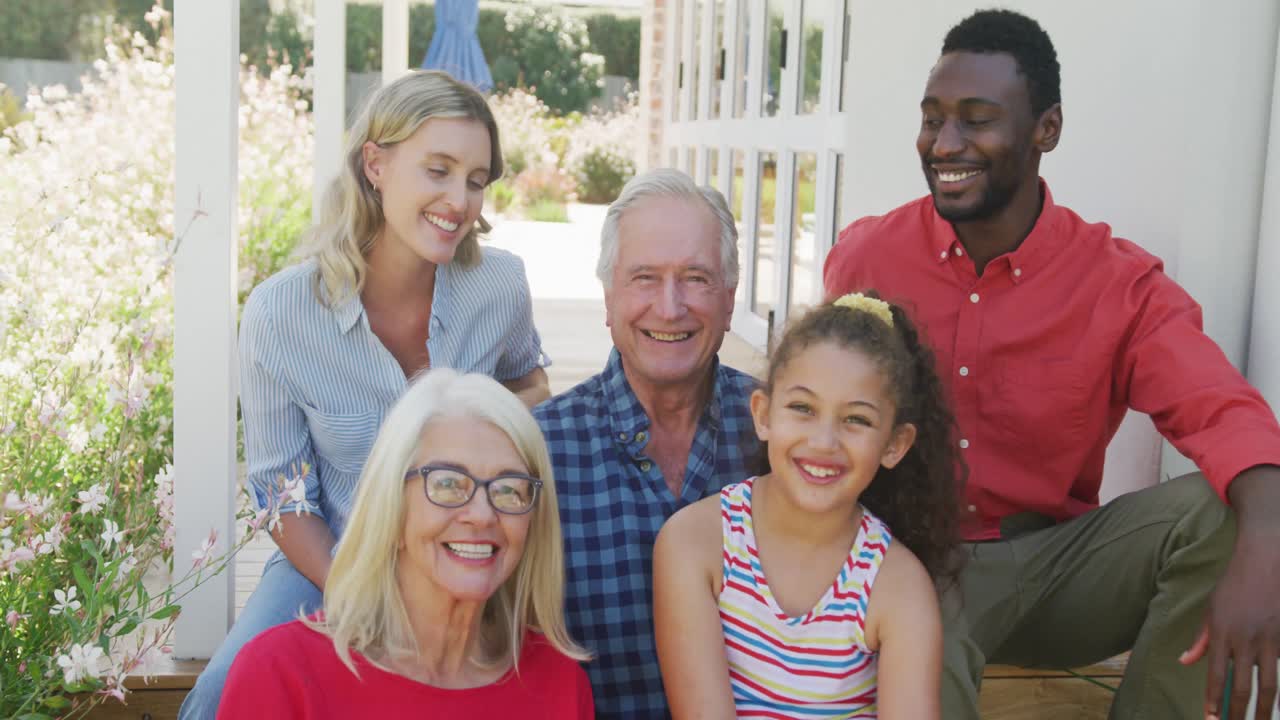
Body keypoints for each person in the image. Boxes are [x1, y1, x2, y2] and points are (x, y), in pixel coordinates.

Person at [823, 9, 1280, 720]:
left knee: (1220, 512)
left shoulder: (1116, 285)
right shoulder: (868, 258)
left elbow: (1220, 408)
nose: (945, 143)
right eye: (933, 118)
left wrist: (1269, 544)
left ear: (1047, 130)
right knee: (922, 623)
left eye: (977, 120)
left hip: (1049, 568)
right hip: (906, 559)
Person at [180, 70, 551, 719]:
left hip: (466, 553)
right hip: (333, 563)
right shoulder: (280, 314)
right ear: (376, 164)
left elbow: (533, 383)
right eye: (437, 170)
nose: (459, 200)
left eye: (475, 179)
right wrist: (362, 595)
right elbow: (280, 494)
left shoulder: (501, 286)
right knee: (219, 693)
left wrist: (473, 428)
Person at [217, 368, 593, 718]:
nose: (482, 514)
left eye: (509, 489)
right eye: (447, 483)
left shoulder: (558, 682)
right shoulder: (279, 675)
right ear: (391, 509)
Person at [654, 294, 962, 719]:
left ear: (894, 444)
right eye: (802, 408)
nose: (824, 442)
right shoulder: (696, 542)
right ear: (763, 415)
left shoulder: (898, 587)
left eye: (856, 419)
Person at [533, 168, 759, 718]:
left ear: (730, 300)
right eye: (644, 278)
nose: (670, 306)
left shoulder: (782, 438)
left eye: (696, 278)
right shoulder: (537, 452)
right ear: (608, 299)